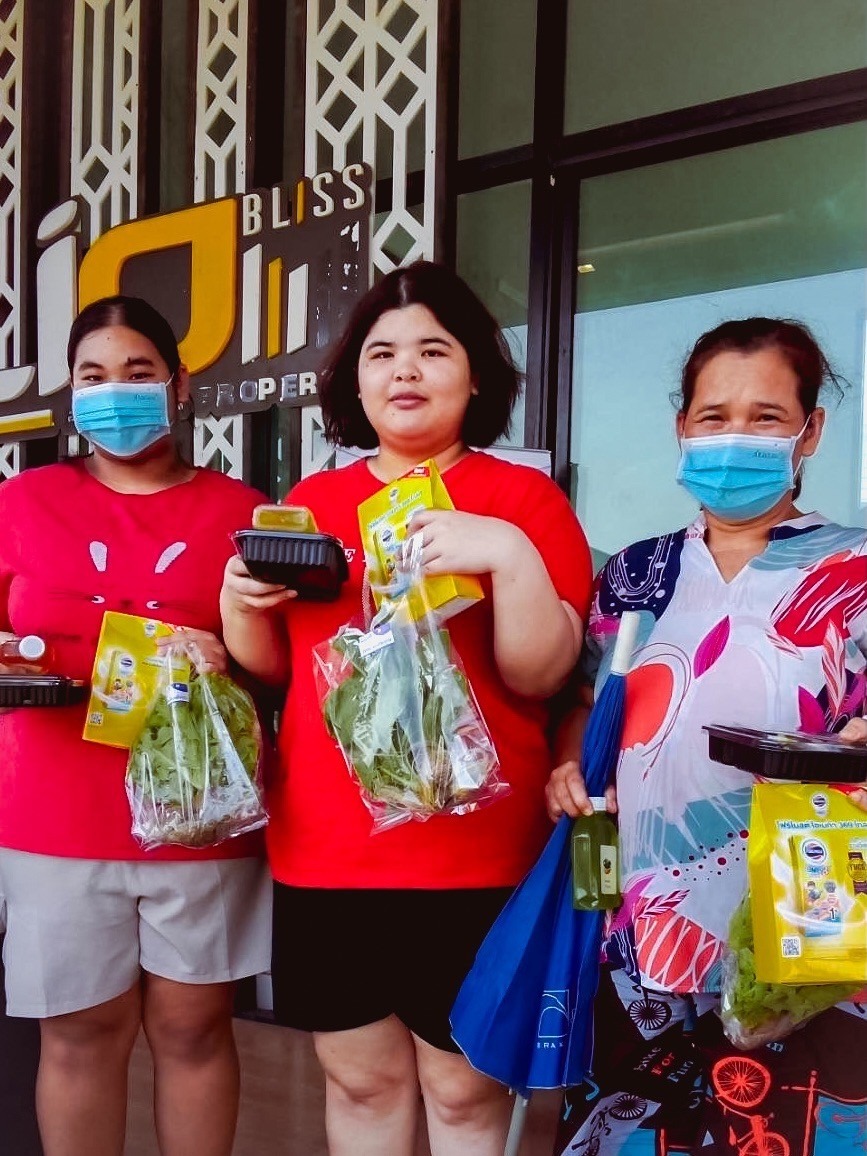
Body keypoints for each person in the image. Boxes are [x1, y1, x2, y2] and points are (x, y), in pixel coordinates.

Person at [220, 260, 594, 1156]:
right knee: (359, 1081)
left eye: (433, 349)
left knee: (463, 1092)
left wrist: (506, 553)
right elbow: (279, 671)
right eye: (382, 353)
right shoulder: (313, 505)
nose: (405, 371)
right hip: (326, 850)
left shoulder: (522, 501)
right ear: (355, 382)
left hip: (476, 854)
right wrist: (239, 606)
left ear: (475, 375)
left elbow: (538, 675)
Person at [546, 317, 867, 1155]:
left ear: (809, 431)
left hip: (799, 927)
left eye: (766, 417)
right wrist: (568, 766)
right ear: (680, 427)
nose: (734, 438)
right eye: (713, 416)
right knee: (634, 1132)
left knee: (782, 1132)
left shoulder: (855, 571)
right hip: (636, 923)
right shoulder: (634, 572)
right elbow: (585, 703)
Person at [0, 296, 272, 1156]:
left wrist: (228, 651)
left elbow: (281, 664)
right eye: (93, 376)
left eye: (138, 372)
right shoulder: (22, 501)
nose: (114, 392)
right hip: (54, 812)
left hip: (201, 809)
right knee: (79, 1034)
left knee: (194, 1028)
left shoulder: (241, 509)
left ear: (179, 385)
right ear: (70, 393)